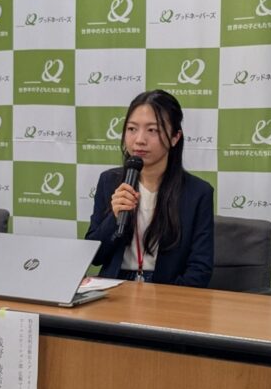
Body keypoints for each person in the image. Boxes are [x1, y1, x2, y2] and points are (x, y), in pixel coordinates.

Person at [86, 90, 213, 287]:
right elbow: (95, 256)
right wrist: (114, 217)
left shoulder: (198, 192)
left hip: (168, 289)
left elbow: (200, 270)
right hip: (116, 286)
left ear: (175, 137)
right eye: (132, 129)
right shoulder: (109, 181)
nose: (139, 140)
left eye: (152, 130)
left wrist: (163, 297)